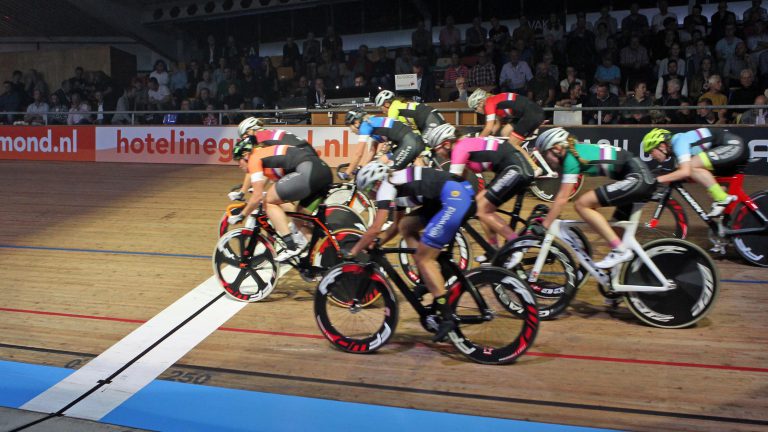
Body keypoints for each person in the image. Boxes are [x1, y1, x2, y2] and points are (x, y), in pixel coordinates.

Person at [349, 162, 476, 341]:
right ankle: (428, 277)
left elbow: (375, 228)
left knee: (424, 259)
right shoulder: (397, 186)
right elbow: (395, 226)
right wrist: (378, 242)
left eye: (369, 191)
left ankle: (447, 316)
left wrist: (352, 252)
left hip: (455, 197)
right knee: (407, 225)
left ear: (375, 184)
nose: (370, 196)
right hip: (449, 196)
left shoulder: (387, 185)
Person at [535, 127, 656, 268]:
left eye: (545, 154)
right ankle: (621, 272)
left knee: (581, 204)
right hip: (637, 176)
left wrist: (545, 226)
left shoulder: (570, 159)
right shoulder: (576, 150)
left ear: (556, 148)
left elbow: (562, 198)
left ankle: (620, 251)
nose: (545, 159)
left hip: (637, 178)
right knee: (615, 232)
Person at [427, 123, 536, 262]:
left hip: (514, 169)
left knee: (483, 210)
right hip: (512, 167)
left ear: (447, 144)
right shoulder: (464, 144)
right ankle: (493, 249)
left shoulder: (459, 149)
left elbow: (452, 184)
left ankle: (516, 246)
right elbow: (461, 179)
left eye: (437, 150)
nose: (438, 155)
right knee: (479, 204)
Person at [226, 123, 333, 262]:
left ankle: (291, 246)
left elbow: (258, 196)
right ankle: (324, 259)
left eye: (238, 161)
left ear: (245, 155)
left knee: (268, 202)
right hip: (323, 171)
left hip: (307, 170)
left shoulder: (254, 158)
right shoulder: (267, 153)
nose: (239, 166)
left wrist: (242, 215)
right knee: (298, 218)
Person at [643, 127, 748, 219]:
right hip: (729, 148)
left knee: (689, 167)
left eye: (651, 151)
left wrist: (658, 180)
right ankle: (727, 228)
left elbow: (685, 171)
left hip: (733, 145)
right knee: (713, 192)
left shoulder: (679, 141)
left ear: (661, 146)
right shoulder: (676, 151)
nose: (651, 156)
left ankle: (722, 198)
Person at [341, 110, 425, 179]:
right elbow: (372, 151)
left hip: (409, 142)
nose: (351, 130)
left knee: (389, 176)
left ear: (356, 122)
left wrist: (347, 172)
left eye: (350, 126)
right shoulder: (372, 122)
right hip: (409, 141)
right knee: (380, 163)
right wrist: (362, 167)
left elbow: (358, 154)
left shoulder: (364, 126)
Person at [374, 90, 446, 137]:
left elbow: (389, 127)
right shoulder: (401, 105)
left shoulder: (393, 107)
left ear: (386, 104)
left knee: (424, 151)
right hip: (432, 116)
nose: (382, 111)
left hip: (430, 119)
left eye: (381, 108)